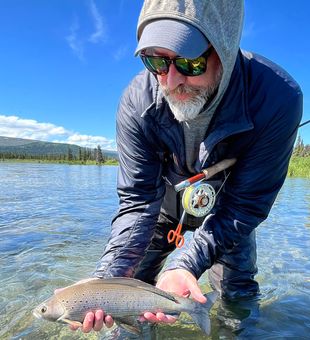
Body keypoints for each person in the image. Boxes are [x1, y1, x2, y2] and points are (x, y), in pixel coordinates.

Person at [72, 0, 303, 333]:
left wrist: (186, 264)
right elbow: (137, 204)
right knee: (126, 295)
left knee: (238, 303)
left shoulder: (277, 97)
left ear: (223, 48)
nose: (171, 79)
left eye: (190, 62)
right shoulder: (137, 102)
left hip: (229, 212)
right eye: (156, 61)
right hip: (161, 211)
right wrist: (108, 277)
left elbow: (246, 205)